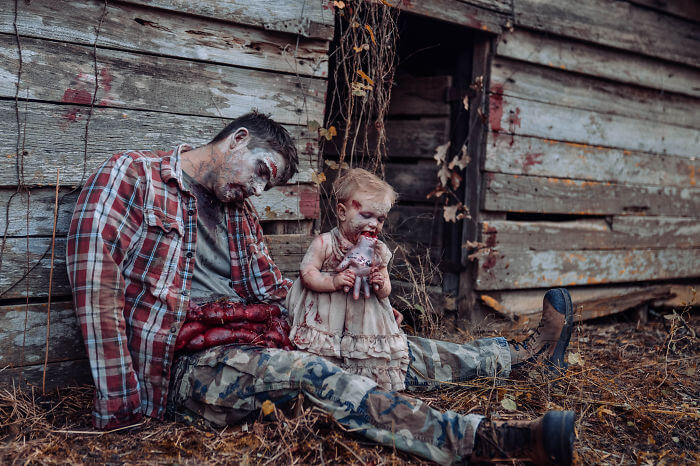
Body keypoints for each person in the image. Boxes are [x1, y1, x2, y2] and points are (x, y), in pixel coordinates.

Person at [66, 111, 575, 465]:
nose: (259, 190)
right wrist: (125, 410)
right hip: (188, 367)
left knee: (387, 351)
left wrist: (360, 318)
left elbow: (272, 291)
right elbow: (97, 292)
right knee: (313, 372)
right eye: (262, 172)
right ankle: (487, 442)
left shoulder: (238, 211)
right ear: (237, 139)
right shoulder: (131, 177)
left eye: (270, 185)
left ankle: (519, 357)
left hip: (258, 338)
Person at [287, 168, 409, 391]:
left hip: (363, 318)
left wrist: (380, 284)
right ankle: (325, 383)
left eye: (380, 218)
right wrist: (333, 281)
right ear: (342, 213)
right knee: (324, 354)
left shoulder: (378, 251)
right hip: (326, 314)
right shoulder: (325, 243)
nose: (374, 224)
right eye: (366, 215)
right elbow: (307, 274)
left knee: (364, 353)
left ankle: (366, 386)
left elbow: (386, 290)